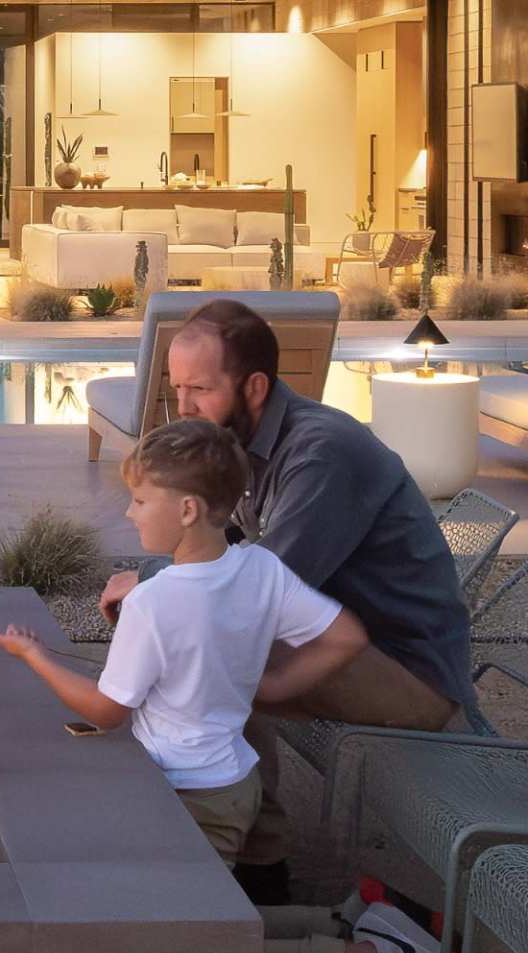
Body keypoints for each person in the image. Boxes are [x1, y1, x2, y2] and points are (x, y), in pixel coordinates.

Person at [0, 417, 467, 953]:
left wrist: (33, 656)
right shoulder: (258, 568)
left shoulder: (154, 601)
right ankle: (347, 920)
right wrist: (271, 684)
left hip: (188, 796)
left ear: (187, 509)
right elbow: (345, 636)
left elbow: (107, 711)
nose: (130, 514)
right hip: (236, 782)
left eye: (139, 500)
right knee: (192, 915)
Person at [100, 295, 475, 895]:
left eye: (200, 390)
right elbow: (215, 554)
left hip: (412, 676)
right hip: (350, 647)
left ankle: (242, 855)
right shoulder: (241, 447)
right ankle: (254, 853)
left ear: (253, 386)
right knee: (199, 637)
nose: (184, 409)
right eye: (176, 390)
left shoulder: (319, 453)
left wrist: (149, 588)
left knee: (210, 643)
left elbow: (254, 589)